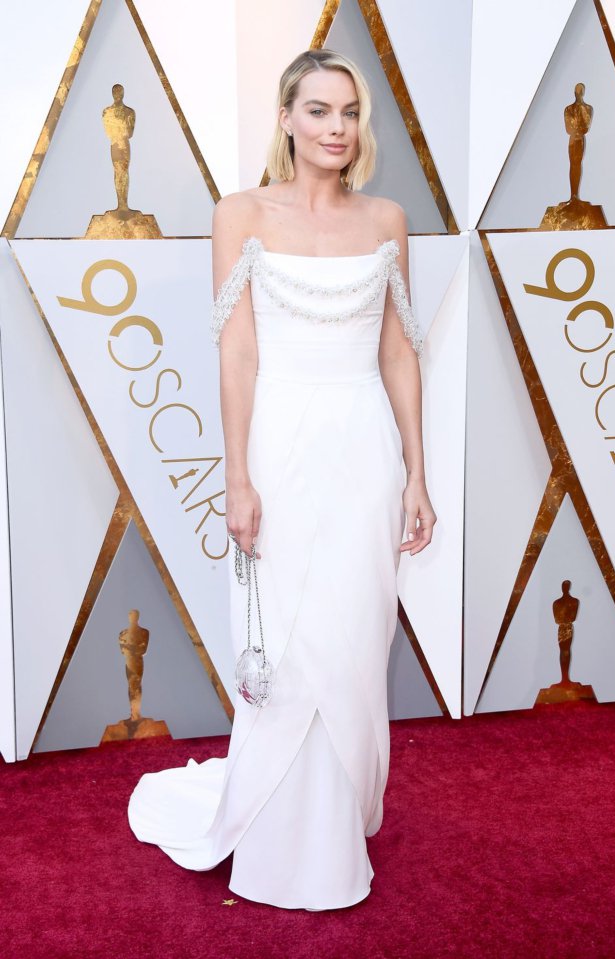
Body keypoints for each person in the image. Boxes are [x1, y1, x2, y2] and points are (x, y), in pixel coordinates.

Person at [127, 47, 437, 912]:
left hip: (365, 448)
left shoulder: (387, 219)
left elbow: (399, 353)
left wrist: (416, 472)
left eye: (350, 113)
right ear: (287, 119)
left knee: (354, 635)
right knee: (288, 645)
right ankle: (278, 845)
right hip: (279, 445)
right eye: (319, 111)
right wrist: (237, 477)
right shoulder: (240, 214)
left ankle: (336, 834)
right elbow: (238, 353)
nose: (337, 128)